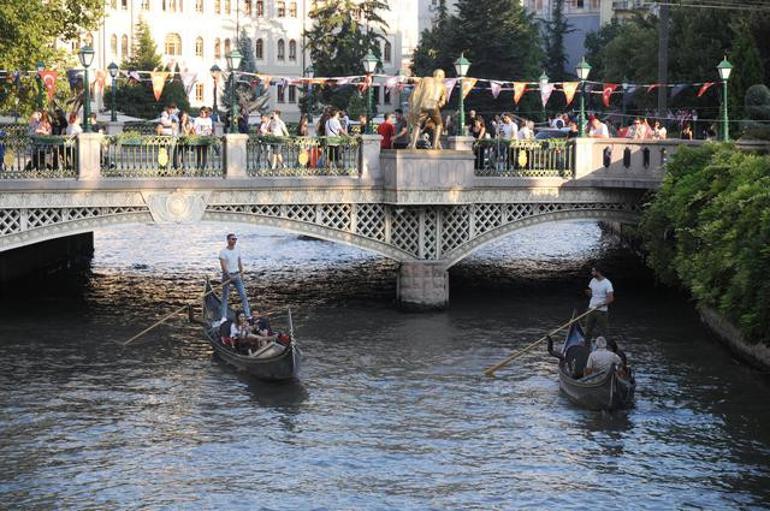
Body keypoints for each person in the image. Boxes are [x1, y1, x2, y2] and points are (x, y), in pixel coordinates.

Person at [219, 233, 251, 320]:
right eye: (233, 239)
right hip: (227, 276)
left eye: (235, 239)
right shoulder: (223, 252)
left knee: (243, 295)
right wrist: (229, 276)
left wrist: (241, 274)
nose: (234, 241)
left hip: (237, 275)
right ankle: (223, 317)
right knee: (225, 296)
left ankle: (248, 315)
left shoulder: (238, 250)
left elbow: (239, 262)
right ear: (228, 240)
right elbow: (223, 266)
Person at [584, 265, 614, 340]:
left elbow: (611, 298)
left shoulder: (607, 283)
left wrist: (602, 304)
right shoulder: (592, 281)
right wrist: (588, 293)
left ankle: (606, 348)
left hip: (602, 311)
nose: (592, 273)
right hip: (591, 308)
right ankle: (586, 347)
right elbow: (592, 294)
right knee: (587, 330)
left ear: (598, 272)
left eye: (593, 271)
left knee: (604, 332)